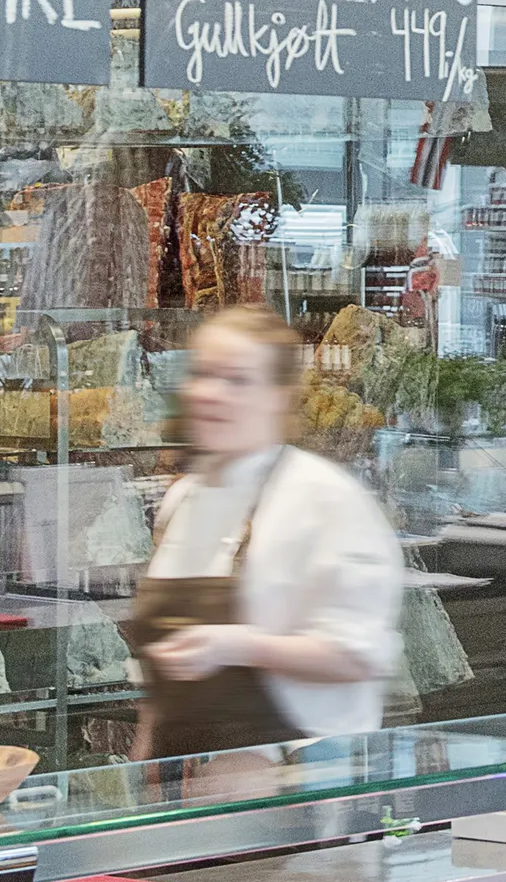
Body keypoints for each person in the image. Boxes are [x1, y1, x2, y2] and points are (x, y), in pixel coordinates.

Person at [125, 306, 405, 760]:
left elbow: (359, 655)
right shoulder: (183, 501)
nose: (211, 394)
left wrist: (234, 645)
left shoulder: (324, 500)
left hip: (299, 778)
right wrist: (145, 752)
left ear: (278, 395)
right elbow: (163, 661)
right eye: (203, 375)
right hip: (188, 773)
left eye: (236, 380)